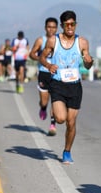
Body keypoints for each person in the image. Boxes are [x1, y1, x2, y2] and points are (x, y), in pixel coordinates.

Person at [39, 10, 94, 164]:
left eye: (73, 24)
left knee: (71, 122)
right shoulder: (53, 41)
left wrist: (90, 61)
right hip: (57, 84)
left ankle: (67, 151)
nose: (70, 27)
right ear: (62, 25)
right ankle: (53, 111)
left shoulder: (82, 42)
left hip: (75, 87)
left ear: (76, 24)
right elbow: (42, 57)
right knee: (61, 119)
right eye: (67, 24)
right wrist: (48, 65)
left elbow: (88, 65)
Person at [29, 17, 58, 136]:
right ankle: (42, 107)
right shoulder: (41, 40)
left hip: (56, 74)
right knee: (44, 101)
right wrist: (41, 59)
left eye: (53, 27)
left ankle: (52, 125)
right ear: (45, 28)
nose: (51, 29)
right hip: (44, 73)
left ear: (57, 28)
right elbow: (31, 54)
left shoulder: (60, 40)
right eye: (49, 27)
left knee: (56, 100)